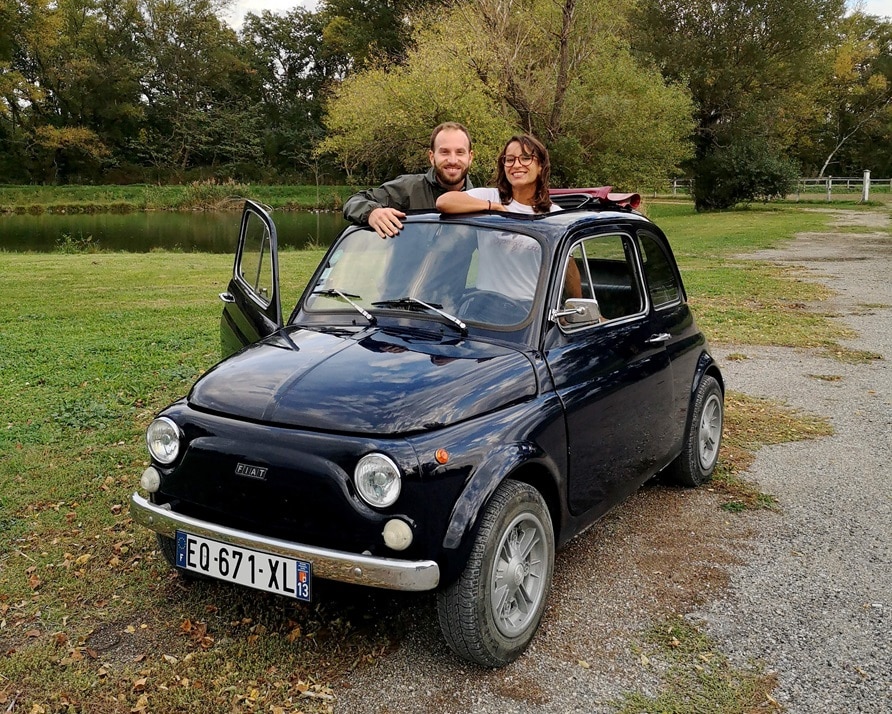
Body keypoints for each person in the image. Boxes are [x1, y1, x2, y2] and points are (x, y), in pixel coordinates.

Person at [437, 134, 581, 301]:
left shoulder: (555, 215)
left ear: (540, 166)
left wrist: (577, 304)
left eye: (525, 158)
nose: (516, 165)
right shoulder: (489, 197)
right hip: (484, 304)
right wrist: (494, 207)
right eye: (510, 159)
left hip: (531, 309)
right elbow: (444, 202)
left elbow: (569, 269)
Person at [342, 122, 475, 238]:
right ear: (432, 157)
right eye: (444, 152)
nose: (452, 160)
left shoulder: (479, 200)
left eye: (460, 152)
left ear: (470, 157)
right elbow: (353, 202)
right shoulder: (408, 189)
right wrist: (372, 212)